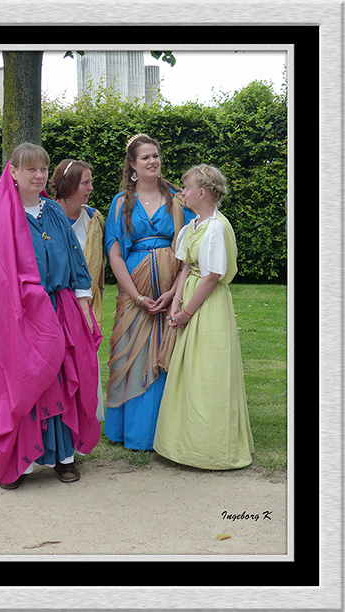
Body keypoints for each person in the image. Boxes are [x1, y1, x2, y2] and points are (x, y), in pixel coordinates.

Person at [0, 143, 101, 489]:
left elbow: (74, 257)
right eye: (30, 170)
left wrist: (83, 303)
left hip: (61, 309)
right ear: (13, 173)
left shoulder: (53, 211)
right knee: (27, 384)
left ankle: (63, 457)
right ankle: (21, 463)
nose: (38, 176)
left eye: (42, 169)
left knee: (64, 380)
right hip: (20, 316)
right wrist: (26, 298)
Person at [155, 165, 254, 470]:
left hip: (208, 307)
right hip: (190, 300)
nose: (180, 192)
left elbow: (212, 276)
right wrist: (176, 300)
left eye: (185, 188)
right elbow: (186, 267)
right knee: (189, 372)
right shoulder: (192, 226)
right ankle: (184, 445)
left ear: (202, 193)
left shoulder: (216, 227)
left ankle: (212, 449)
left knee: (209, 373)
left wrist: (186, 311)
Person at [103, 134, 196, 451]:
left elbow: (190, 251)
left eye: (155, 155)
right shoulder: (120, 204)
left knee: (166, 359)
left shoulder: (178, 200)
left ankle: (167, 432)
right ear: (132, 164)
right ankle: (135, 433)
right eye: (145, 157)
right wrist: (136, 296)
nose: (153, 161)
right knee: (132, 357)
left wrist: (172, 293)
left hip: (173, 295)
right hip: (135, 297)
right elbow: (114, 254)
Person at [50, 158, 107, 421]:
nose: (91, 188)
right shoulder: (46, 216)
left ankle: (82, 422)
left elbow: (100, 266)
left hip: (86, 307)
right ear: (70, 184)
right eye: (86, 182)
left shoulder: (94, 219)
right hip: (53, 308)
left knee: (84, 367)